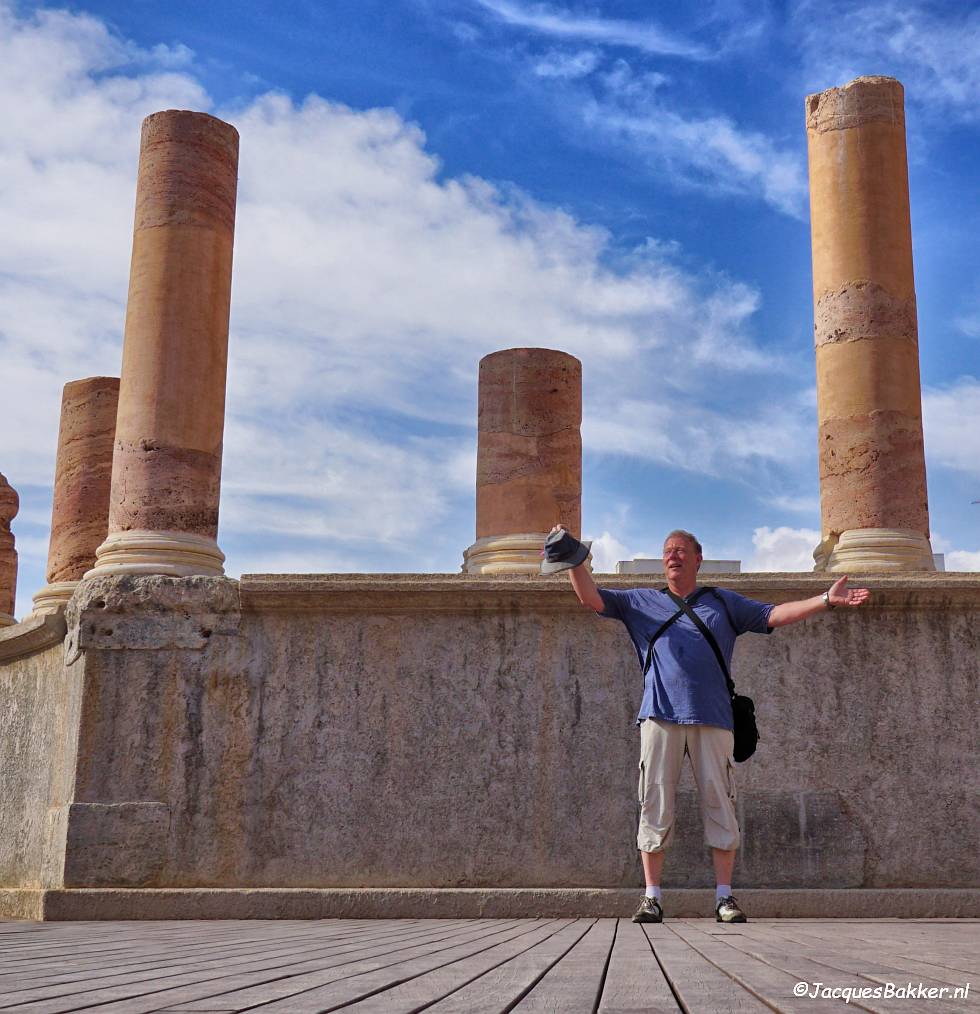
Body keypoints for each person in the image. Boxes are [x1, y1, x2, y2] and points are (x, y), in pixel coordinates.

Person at [542, 525, 871, 924]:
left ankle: (724, 897)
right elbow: (590, 598)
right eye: (667, 551)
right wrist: (574, 560)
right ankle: (651, 896)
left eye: (681, 550)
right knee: (654, 803)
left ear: (698, 558)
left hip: (714, 719)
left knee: (720, 804)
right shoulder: (640, 602)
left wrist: (825, 600)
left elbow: (773, 615)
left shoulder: (721, 602)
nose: (672, 556)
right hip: (659, 717)